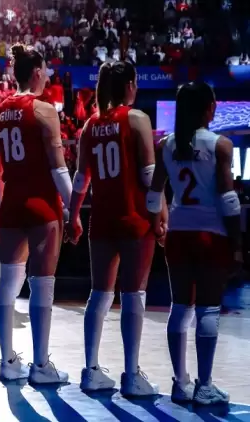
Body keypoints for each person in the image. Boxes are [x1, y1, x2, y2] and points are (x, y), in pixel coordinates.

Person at [67, 61, 159, 395]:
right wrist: (161, 213)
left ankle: (90, 370)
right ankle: (131, 375)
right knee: (133, 294)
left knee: (100, 294)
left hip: (102, 220)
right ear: (131, 85)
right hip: (134, 219)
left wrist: (73, 215)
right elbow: (150, 177)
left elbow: (81, 179)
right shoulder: (137, 119)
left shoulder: (90, 126)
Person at [147, 82, 238, 405]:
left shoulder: (166, 145)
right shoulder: (221, 145)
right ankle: (205, 385)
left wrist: (157, 225)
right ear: (209, 108)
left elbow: (153, 194)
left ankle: (180, 382)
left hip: (179, 234)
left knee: (180, 306)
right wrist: (237, 241)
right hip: (210, 235)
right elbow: (228, 199)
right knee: (208, 308)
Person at [0, 44, 71, 383]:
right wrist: (75, 205)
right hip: (41, 204)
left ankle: (7, 361)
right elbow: (58, 169)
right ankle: (40, 365)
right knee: (42, 284)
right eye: (46, 70)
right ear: (36, 72)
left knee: (7, 282)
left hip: (11, 204)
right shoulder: (44, 110)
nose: (48, 75)